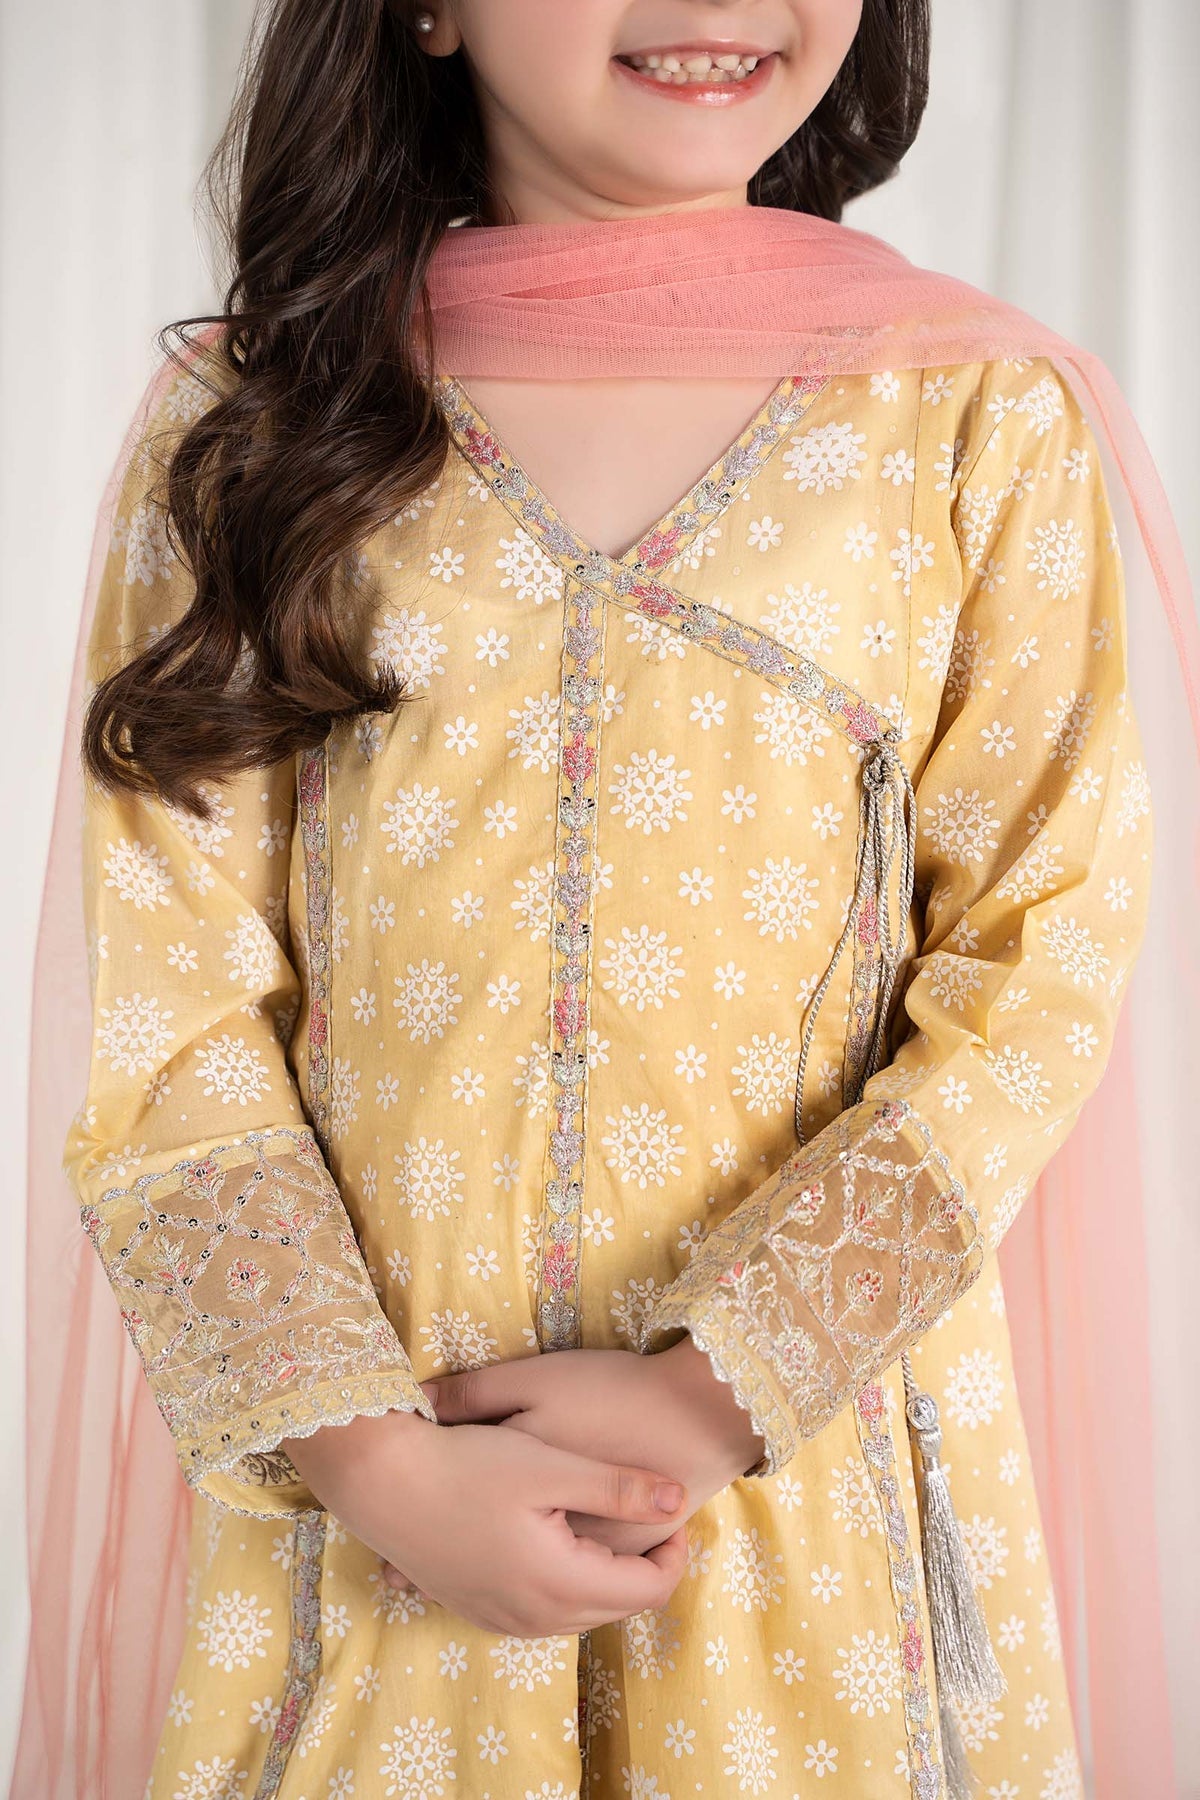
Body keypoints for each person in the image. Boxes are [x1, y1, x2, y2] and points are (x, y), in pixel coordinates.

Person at [15, 1, 1196, 1797]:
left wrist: (714, 1394)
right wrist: (378, 1467)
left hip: (811, 1497)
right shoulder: (264, 424)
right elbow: (169, 1016)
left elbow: (1037, 968)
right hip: (381, 1523)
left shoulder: (965, 412)